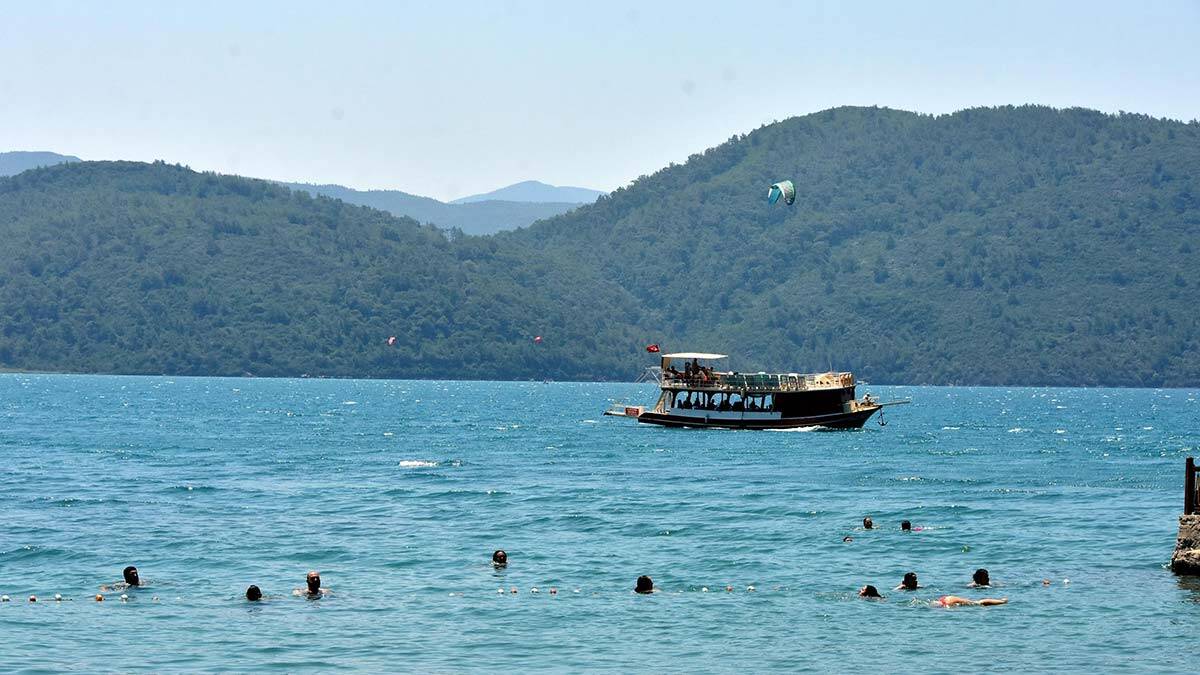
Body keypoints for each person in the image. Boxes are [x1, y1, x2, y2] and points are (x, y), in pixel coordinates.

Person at [933, 595, 1007, 607]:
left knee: (978, 603)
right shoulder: (948, 602)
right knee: (978, 603)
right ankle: (1002, 602)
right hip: (946, 599)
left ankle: (1002, 601)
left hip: (945, 601)